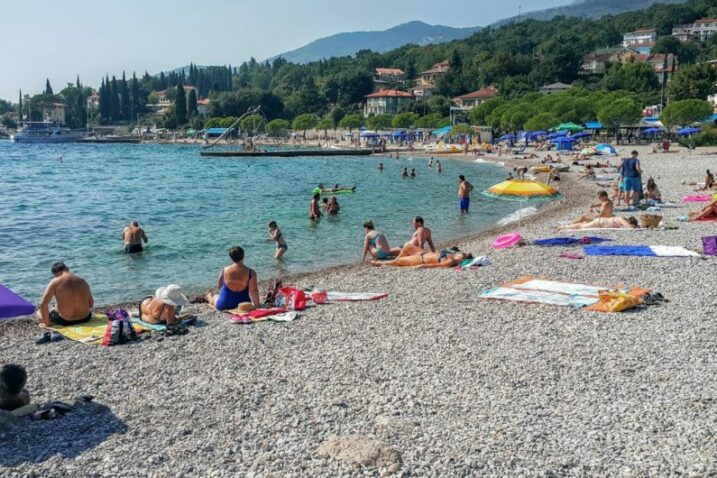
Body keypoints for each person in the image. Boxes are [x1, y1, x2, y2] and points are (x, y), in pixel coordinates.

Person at [37, 262, 94, 327]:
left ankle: (45, 319)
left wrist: (48, 324)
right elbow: (91, 303)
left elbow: (43, 304)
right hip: (85, 318)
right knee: (55, 306)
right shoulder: (83, 281)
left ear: (55, 274)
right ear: (67, 269)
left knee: (39, 312)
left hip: (64, 320)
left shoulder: (55, 282)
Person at [205, 246, 260, 311]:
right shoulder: (251, 273)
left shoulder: (224, 270)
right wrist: (257, 305)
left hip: (224, 304)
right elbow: (253, 291)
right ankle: (209, 295)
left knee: (215, 297)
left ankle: (208, 296)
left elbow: (219, 286)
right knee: (217, 296)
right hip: (243, 305)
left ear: (231, 257)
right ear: (243, 255)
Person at [371, 244, 472, 268]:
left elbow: (436, 265)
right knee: (406, 246)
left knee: (398, 261)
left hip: (421, 259)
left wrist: (422, 266)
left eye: (461, 254)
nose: (459, 253)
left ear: (462, 258)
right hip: (423, 253)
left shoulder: (451, 261)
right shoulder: (452, 255)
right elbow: (437, 254)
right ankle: (395, 260)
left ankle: (379, 263)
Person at [557, 216, 639, 231]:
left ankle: (565, 226)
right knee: (582, 226)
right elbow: (629, 227)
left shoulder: (621, 218)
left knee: (583, 224)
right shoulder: (621, 219)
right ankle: (564, 227)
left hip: (599, 221)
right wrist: (634, 226)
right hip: (599, 222)